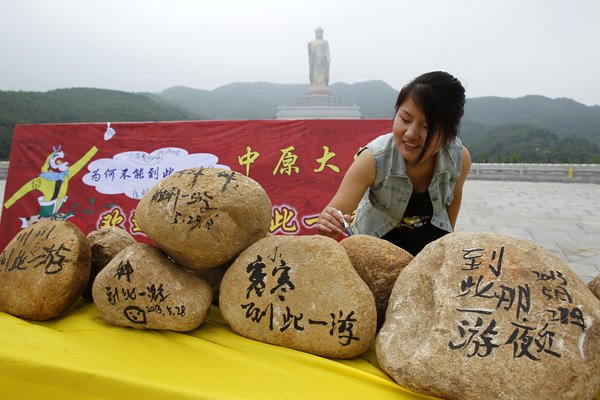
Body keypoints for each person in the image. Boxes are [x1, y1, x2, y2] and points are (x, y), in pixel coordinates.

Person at [316, 71, 471, 256]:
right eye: (405, 119)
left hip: (429, 254)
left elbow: (454, 199)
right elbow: (333, 217)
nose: (411, 133)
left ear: (448, 133)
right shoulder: (372, 160)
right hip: (377, 251)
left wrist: (446, 243)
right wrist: (328, 224)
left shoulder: (459, 158)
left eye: (427, 127)